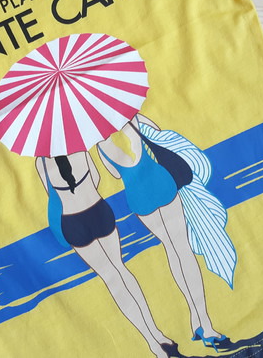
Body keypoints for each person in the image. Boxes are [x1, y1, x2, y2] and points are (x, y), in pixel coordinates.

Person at [97, 114, 229, 352]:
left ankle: (197, 321)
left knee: (171, 249)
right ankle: (202, 322)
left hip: (139, 198)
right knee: (183, 250)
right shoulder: (133, 120)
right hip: (161, 184)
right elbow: (158, 133)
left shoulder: (100, 144)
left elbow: (114, 173)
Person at [35, 151, 179, 358]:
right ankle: (157, 334)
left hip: (73, 222)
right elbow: (95, 178)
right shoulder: (79, 149)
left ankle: (152, 343)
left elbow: (52, 196)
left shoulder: (41, 162)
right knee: (121, 269)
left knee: (111, 278)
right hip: (98, 211)